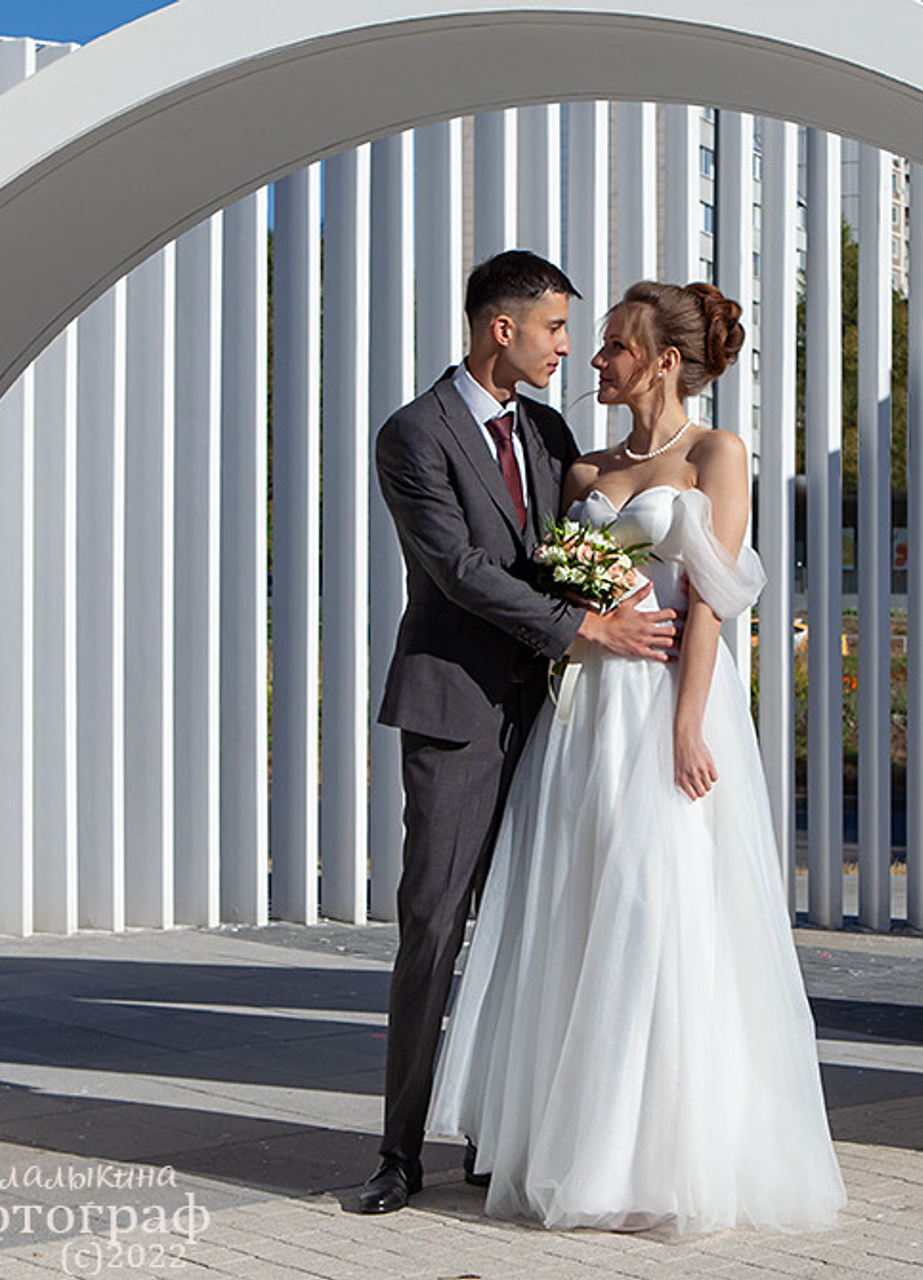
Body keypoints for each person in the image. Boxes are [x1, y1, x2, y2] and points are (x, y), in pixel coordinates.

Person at [427, 280, 847, 1233]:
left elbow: (709, 600)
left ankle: (668, 1154)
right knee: (579, 909)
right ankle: (573, 1144)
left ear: (662, 360)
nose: (596, 360)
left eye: (614, 345)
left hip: (668, 705)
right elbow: (556, 590)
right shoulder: (584, 474)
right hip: (583, 720)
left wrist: (688, 723)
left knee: (664, 909)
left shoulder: (716, 455)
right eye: (597, 341)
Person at [361, 252, 677, 1215]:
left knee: (535, 927)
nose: (567, 349)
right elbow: (457, 567)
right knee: (434, 926)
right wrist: (589, 627)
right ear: (504, 329)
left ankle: (501, 1136)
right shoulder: (413, 434)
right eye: (555, 330)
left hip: (556, 718)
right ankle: (400, 1152)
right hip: (456, 712)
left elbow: (564, 551)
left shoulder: (549, 430)